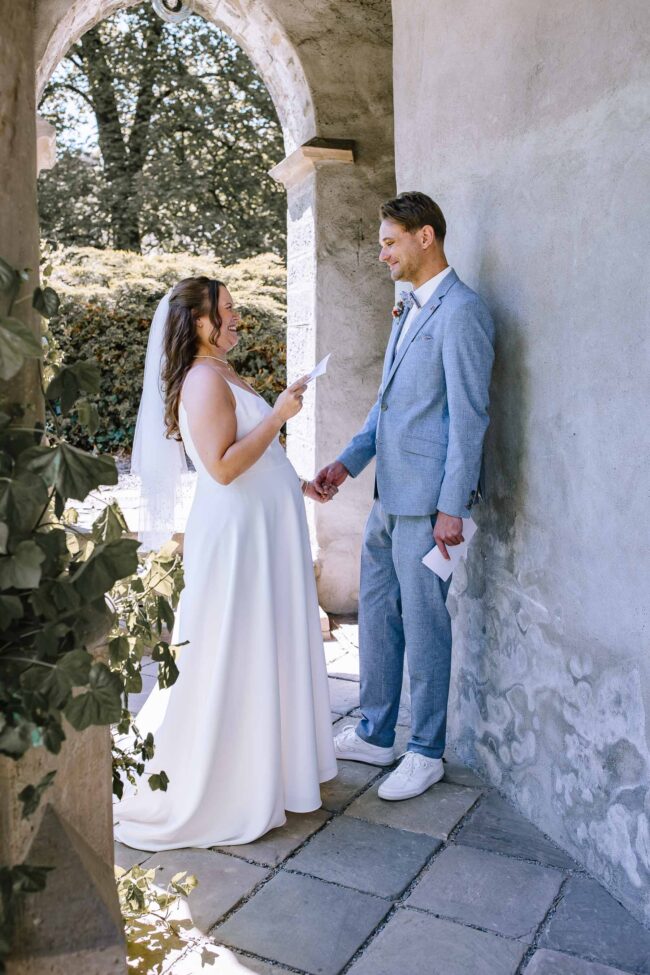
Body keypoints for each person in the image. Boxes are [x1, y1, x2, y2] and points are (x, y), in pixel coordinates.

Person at [114, 276, 337, 851]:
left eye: (237, 310)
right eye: (228, 312)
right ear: (197, 323)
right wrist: (280, 414)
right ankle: (232, 781)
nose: (238, 319)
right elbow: (221, 466)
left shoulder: (224, 372)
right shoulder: (200, 380)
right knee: (234, 645)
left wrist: (297, 483)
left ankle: (274, 768)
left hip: (264, 531)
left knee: (265, 642)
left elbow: (255, 455)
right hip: (238, 538)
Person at [315, 192, 495, 801]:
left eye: (390, 242)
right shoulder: (406, 306)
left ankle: (425, 751)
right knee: (378, 615)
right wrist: (346, 464)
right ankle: (375, 730)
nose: (382, 253)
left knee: (425, 626)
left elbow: (469, 418)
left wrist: (454, 506)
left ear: (426, 237)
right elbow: (388, 406)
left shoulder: (462, 311)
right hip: (387, 496)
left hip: (429, 505)